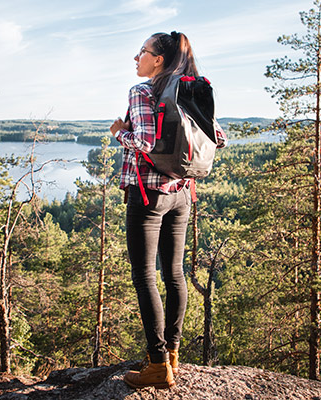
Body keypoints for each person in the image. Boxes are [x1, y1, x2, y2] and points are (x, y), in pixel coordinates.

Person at [110, 31, 226, 389]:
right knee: (174, 274)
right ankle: (172, 355)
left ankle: (158, 364)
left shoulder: (143, 91)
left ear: (158, 59)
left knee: (145, 275)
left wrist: (119, 132)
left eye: (142, 52)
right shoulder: (188, 89)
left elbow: (144, 141)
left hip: (148, 195)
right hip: (182, 193)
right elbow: (218, 137)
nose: (136, 58)